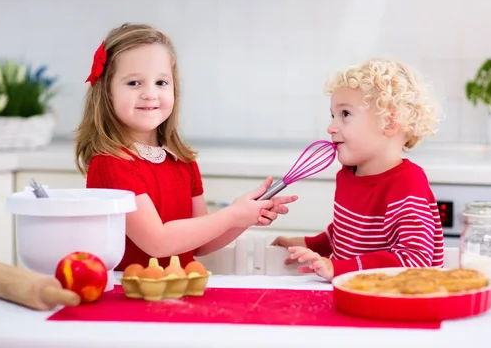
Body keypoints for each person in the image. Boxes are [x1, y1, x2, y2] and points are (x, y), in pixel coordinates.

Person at [75, 23, 297, 269]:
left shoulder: (182, 161)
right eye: (134, 83)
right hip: (128, 296)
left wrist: (246, 215)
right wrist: (232, 214)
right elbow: (157, 241)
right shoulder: (112, 163)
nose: (150, 93)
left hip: (175, 292)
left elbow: (199, 244)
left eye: (161, 82)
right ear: (106, 92)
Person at [272, 58, 444, 281]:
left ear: (389, 121)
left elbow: (414, 259)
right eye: (333, 115)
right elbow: (346, 234)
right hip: (354, 293)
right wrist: (307, 245)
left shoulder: (407, 184)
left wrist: (338, 269)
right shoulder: (348, 174)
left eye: (345, 114)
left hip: (393, 300)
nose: (331, 127)